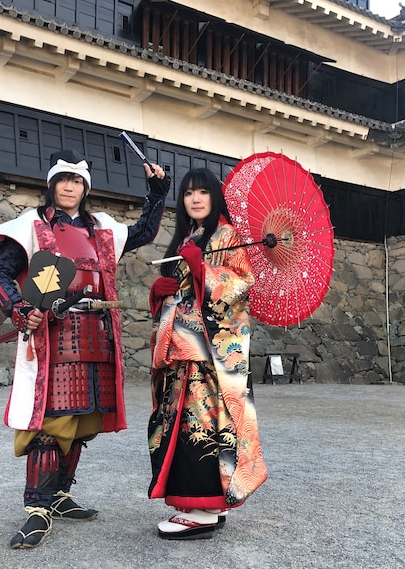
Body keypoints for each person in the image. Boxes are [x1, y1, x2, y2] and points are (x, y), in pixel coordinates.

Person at [0, 149, 170, 549]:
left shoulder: (100, 228)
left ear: (85, 188)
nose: (70, 186)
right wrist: (19, 309)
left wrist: (157, 194)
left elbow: (141, 233)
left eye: (77, 181)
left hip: (96, 331)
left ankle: (61, 495)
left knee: (83, 419)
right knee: (51, 424)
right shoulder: (32, 226)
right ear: (52, 185)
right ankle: (37, 509)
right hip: (53, 333)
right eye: (63, 180)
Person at [146, 167, 268, 540]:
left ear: (216, 197)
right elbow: (178, 296)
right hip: (183, 352)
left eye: (202, 192)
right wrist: (160, 291)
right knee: (182, 424)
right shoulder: (190, 235)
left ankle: (202, 506)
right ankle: (204, 503)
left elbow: (242, 285)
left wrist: (203, 271)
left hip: (209, 357)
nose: (195, 199)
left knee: (201, 427)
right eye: (187, 193)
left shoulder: (228, 236)